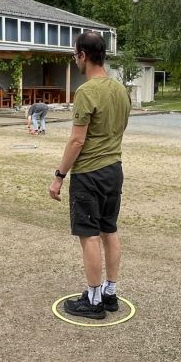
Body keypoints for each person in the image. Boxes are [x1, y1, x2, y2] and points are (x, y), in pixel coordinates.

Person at [49, 31, 131, 318]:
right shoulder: (121, 90)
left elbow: (77, 141)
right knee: (110, 230)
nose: (75, 60)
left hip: (89, 173)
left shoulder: (86, 92)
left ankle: (94, 300)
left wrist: (59, 175)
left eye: (75, 55)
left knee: (90, 236)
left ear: (83, 55)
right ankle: (110, 292)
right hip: (114, 169)